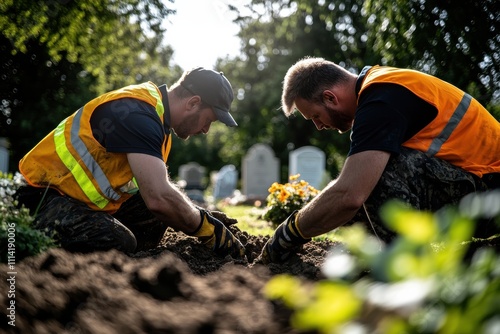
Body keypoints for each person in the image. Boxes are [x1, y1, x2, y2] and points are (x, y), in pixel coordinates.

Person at [260, 57, 500, 263]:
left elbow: (350, 194)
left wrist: (289, 232)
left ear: (330, 98)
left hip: (491, 193)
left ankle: (408, 271)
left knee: (373, 181)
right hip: (479, 188)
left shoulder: (381, 99)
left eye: (315, 116)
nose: (319, 126)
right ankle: (391, 257)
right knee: (344, 203)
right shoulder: (379, 88)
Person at [15, 67, 245, 258]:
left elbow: (155, 195)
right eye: (209, 120)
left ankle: (132, 262)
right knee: (118, 240)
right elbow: (159, 198)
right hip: (39, 201)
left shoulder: (156, 117)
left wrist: (193, 212)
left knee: (155, 217)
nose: (206, 130)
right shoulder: (140, 114)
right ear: (193, 103)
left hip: (74, 200)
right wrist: (205, 227)